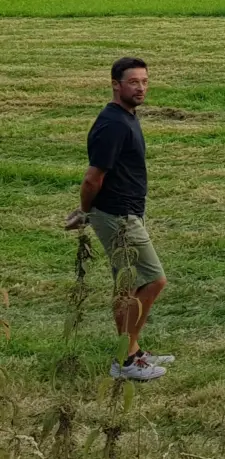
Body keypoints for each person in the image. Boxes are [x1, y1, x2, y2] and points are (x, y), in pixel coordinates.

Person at [67, 57, 171, 382]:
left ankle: (134, 351)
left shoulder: (125, 116)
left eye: (144, 81)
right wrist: (84, 212)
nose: (140, 88)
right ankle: (124, 360)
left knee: (128, 286)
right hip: (118, 216)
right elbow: (92, 178)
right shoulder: (112, 125)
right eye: (133, 82)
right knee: (154, 280)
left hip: (124, 212)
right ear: (115, 84)